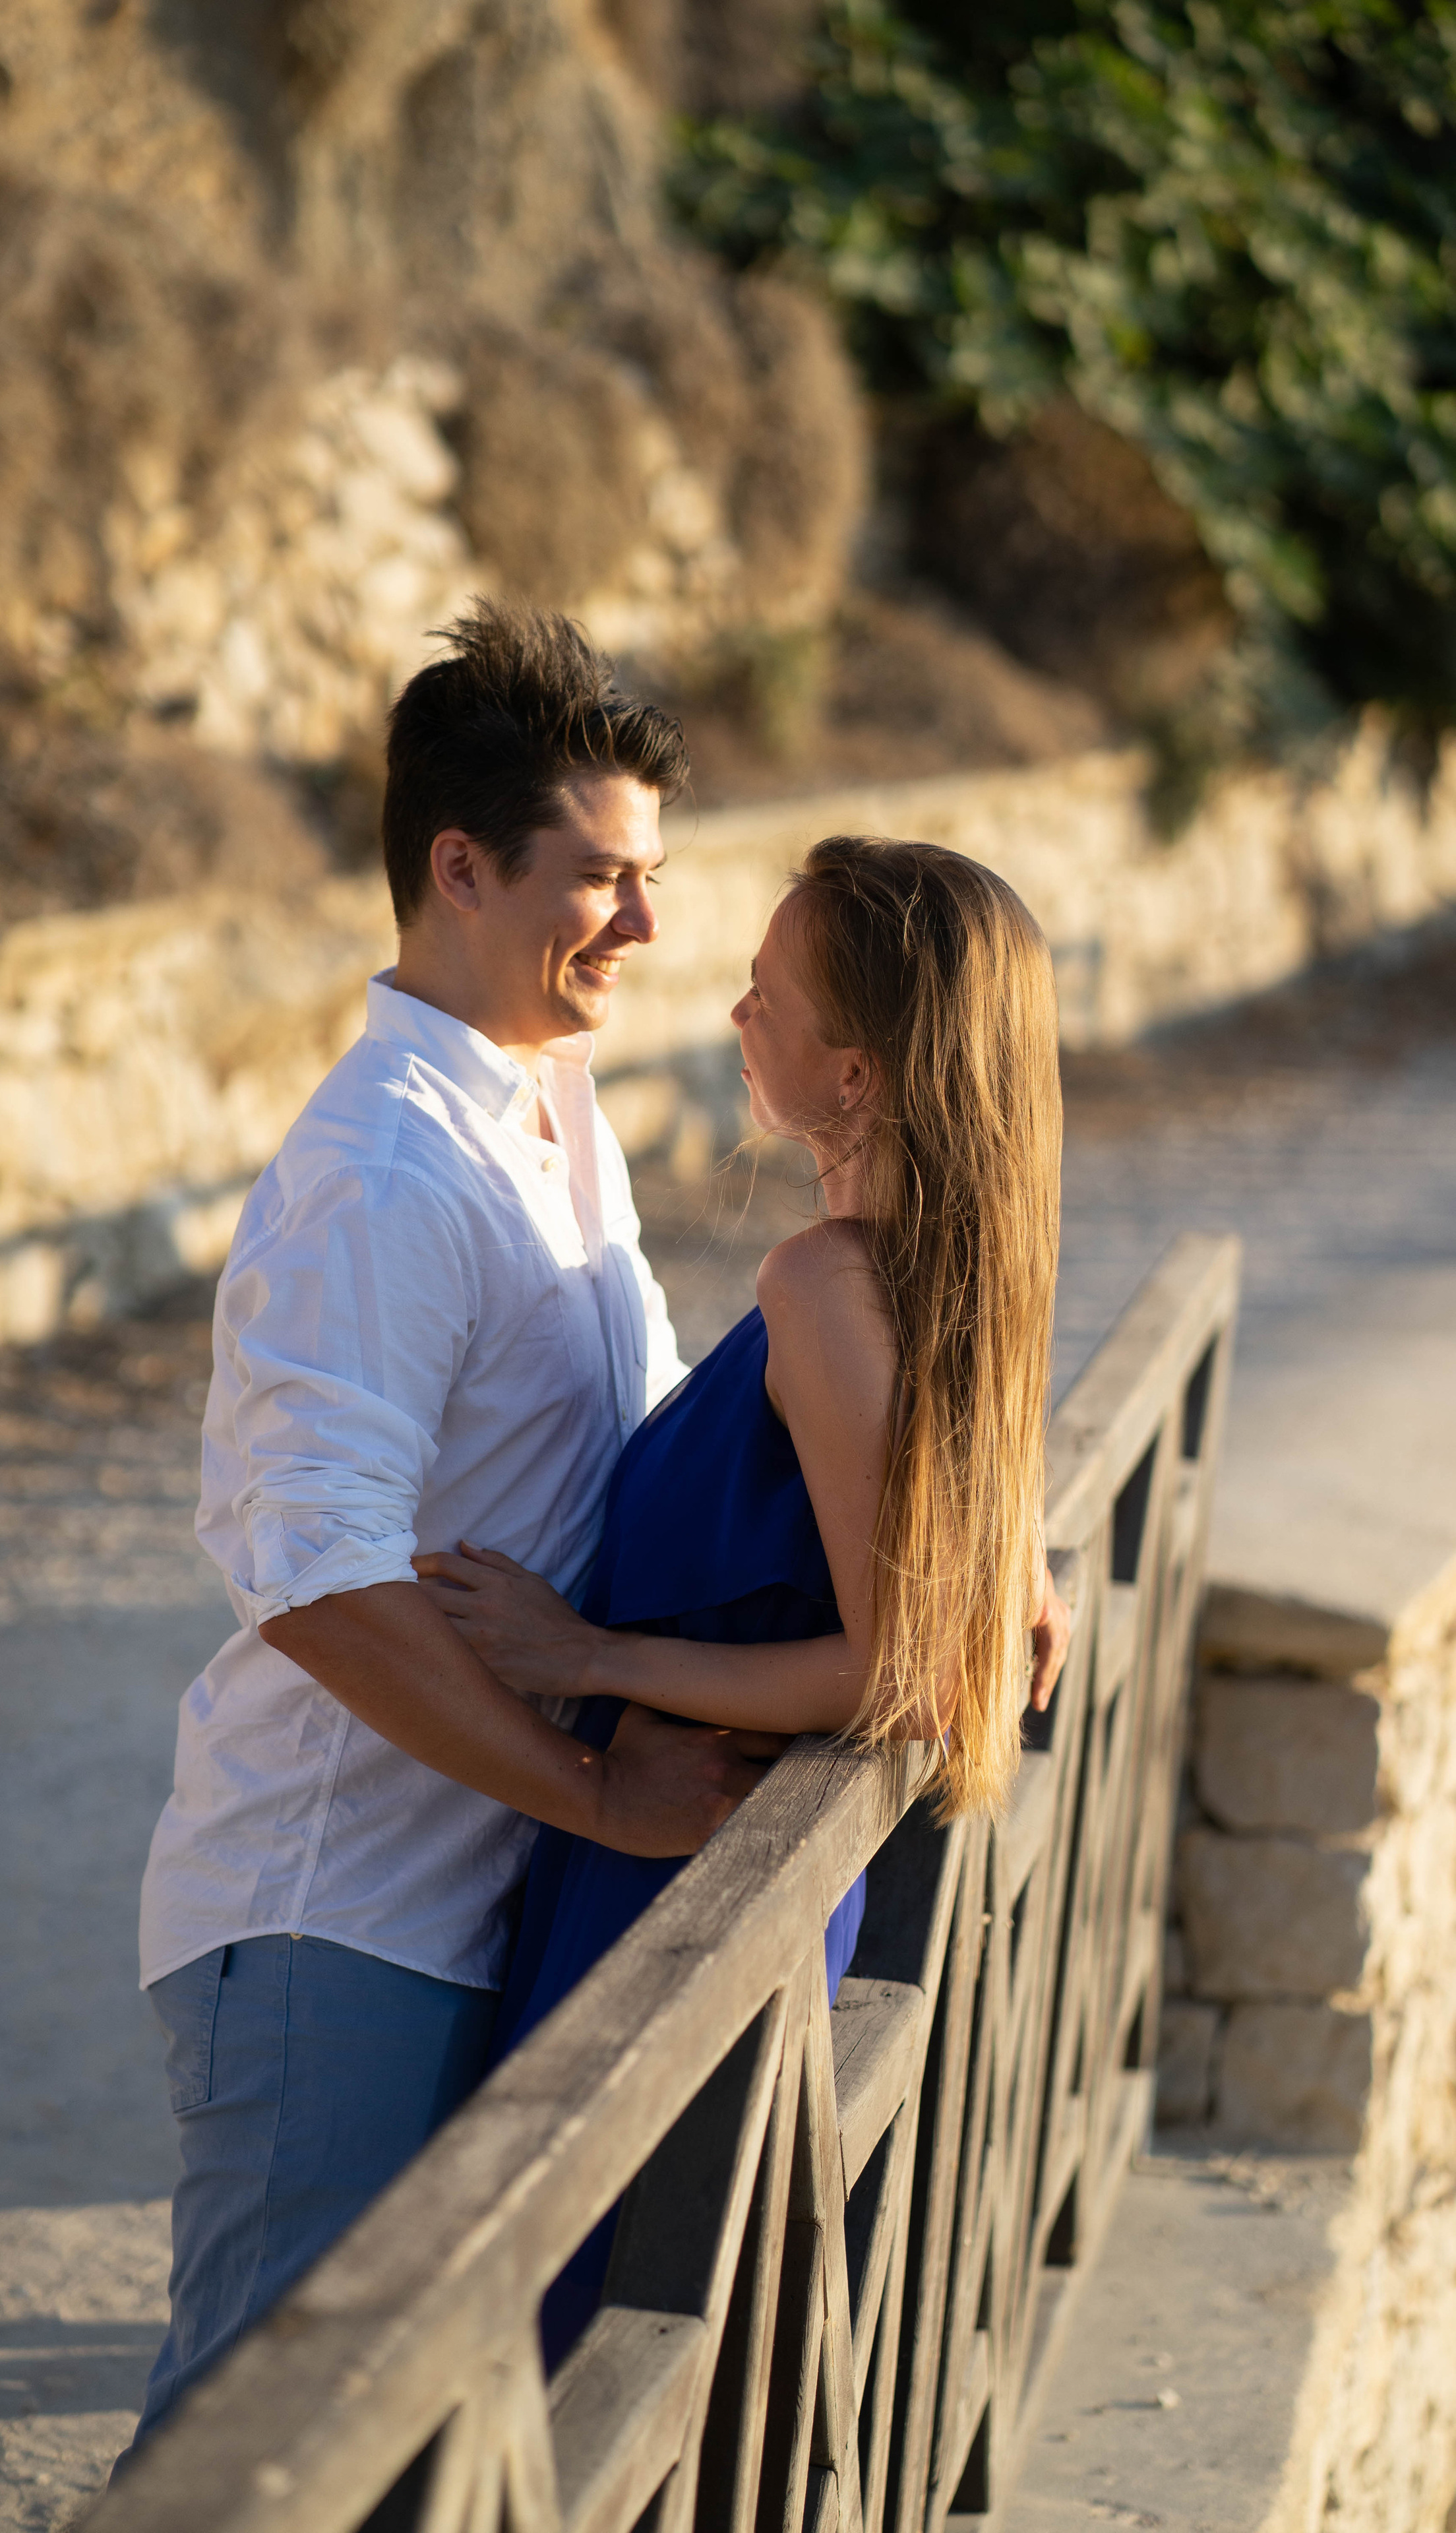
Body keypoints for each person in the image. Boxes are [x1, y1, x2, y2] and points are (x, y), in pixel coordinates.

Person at [122, 601, 774, 2456]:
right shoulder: (383, 1169)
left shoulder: (553, 1100)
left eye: (653, 877)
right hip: (334, 1922)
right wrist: (597, 1799)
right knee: (244, 2452)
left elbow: (644, 1446)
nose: (647, 929)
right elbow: (311, 1577)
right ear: (460, 868)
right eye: (604, 880)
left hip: (475, 1902)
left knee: (412, 2442)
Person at [416, 835, 1066, 2361]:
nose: (732, 1015)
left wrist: (587, 1650)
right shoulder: (937, 1277)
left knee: (575, 2346)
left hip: (676, 1890)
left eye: (765, 994)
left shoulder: (824, 1284)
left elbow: (904, 1668)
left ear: (852, 1075)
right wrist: (1005, 1534)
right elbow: (926, 1537)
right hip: (707, 1868)